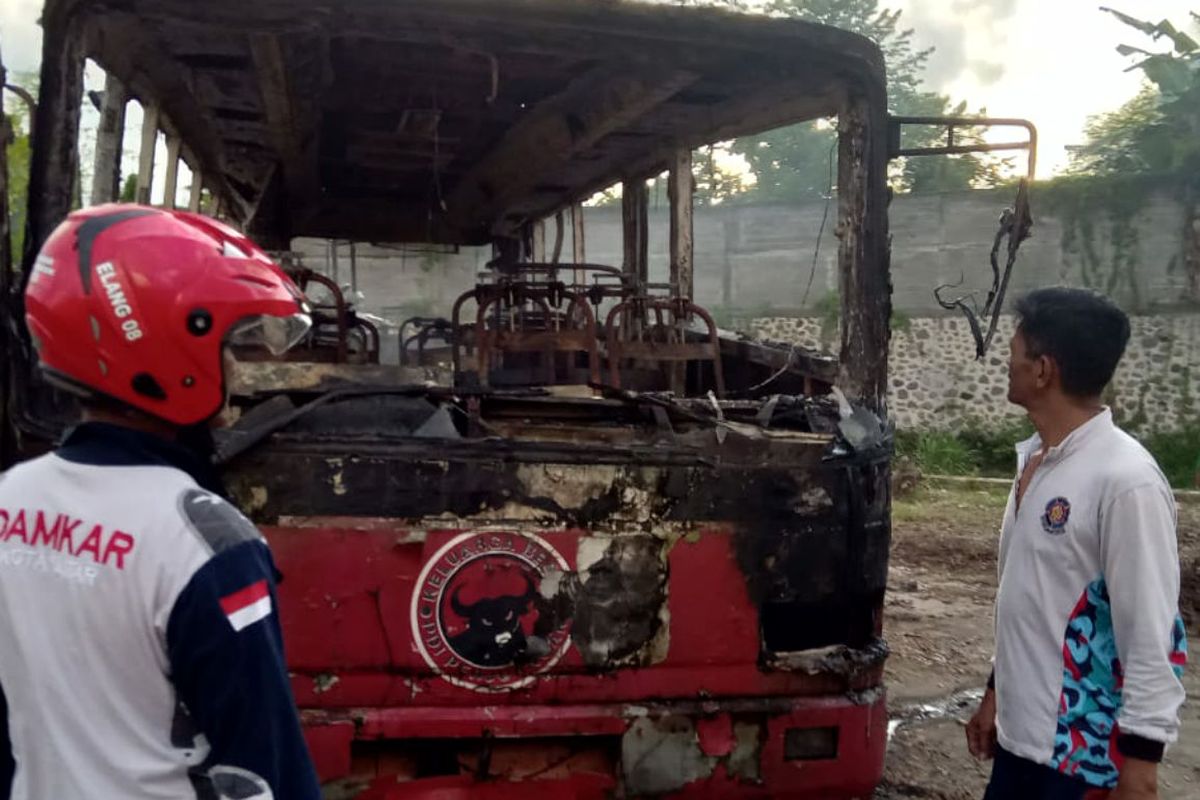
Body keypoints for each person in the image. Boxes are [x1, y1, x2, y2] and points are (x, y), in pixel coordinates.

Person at [0, 205, 322, 799]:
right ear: (169, 351)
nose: (235, 368)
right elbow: (264, 770)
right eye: (227, 345)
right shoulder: (206, 544)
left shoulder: (10, 498)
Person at [965, 287, 1187, 799]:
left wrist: (1141, 768)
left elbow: (1151, 635)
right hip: (1020, 747)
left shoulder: (1125, 480)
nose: (1006, 364)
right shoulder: (1037, 463)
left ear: (1043, 370)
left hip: (1081, 762)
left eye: (1015, 355)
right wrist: (996, 694)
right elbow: (1036, 602)